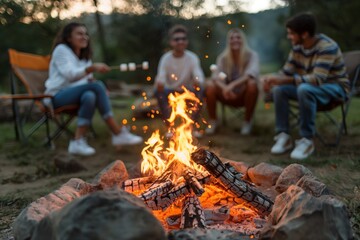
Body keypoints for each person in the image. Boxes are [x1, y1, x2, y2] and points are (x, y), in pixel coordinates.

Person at [45, 22, 143, 156]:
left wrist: (94, 82)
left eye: (86, 34)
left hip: (79, 96)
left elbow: (86, 80)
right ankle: (117, 132)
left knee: (90, 95)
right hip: (56, 97)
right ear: (68, 37)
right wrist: (92, 70)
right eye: (79, 33)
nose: (84, 37)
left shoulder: (85, 58)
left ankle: (77, 141)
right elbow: (70, 75)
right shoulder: (61, 50)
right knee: (96, 87)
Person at [262, 12, 349, 160]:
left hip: (335, 88)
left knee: (304, 89)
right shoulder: (297, 47)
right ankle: (283, 136)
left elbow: (317, 79)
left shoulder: (327, 46)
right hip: (309, 88)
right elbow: (285, 72)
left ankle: (306, 140)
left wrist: (285, 80)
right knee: (279, 90)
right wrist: (271, 79)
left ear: (304, 34)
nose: (288, 36)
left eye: (291, 33)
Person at [154, 24, 205, 138]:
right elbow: (161, 77)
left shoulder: (192, 58)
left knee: (200, 90)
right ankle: (170, 128)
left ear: (187, 41)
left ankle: (191, 127)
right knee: (159, 92)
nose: (180, 41)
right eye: (177, 39)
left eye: (183, 39)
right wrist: (160, 83)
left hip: (187, 91)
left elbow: (199, 77)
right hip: (170, 91)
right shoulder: (166, 59)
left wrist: (197, 81)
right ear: (171, 42)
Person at [205, 28, 260, 135]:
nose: (235, 40)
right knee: (210, 86)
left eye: (238, 37)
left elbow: (251, 74)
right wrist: (225, 88)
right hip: (226, 95)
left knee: (252, 84)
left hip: (244, 95)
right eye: (232, 38)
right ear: (228, 41)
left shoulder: (252, 55)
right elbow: (215, 77)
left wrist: (232, 85)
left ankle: (247, 122)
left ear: (243, 40)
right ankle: (213, 121)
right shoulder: (223, 58)